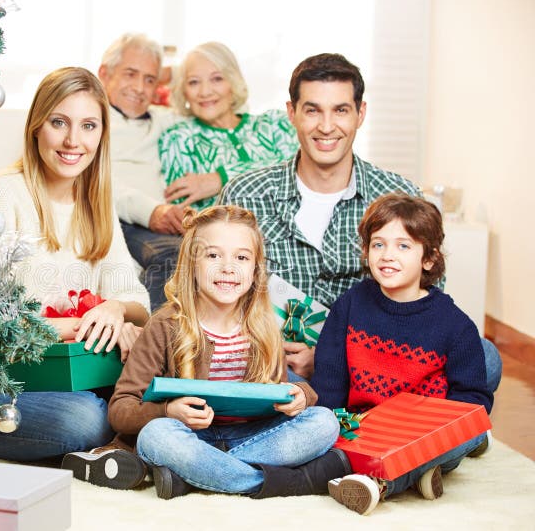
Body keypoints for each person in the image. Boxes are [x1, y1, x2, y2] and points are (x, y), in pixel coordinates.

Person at [217, 53, 502, 389]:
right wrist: (269, 351)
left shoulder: (399, 195)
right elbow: (211, 292)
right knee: (271, 383)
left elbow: (427, 301)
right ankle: (342, 425)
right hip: (274, 364)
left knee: (484, 357)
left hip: (375, 363)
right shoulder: (246, 195)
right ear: (292, 113)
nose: (326, 127)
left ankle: (341, 423)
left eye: (340, 110)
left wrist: (328, 356)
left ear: (360, 114)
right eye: (312, 110)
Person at [0, 67, 150, 462]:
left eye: (88, 126)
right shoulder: (1, 196)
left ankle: (105, 453)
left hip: (68, 379)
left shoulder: (96, 203)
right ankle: (113, 446)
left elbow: (136, 300)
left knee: (161, 383)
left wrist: (116, 311)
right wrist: (77, 326)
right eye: (59, 123)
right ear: (37, 127)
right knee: (87, 418)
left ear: (101, 136)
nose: (74, 141)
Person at [97, 205, 348, 499]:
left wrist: (300, 396)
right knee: (155, 437)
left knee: (324, 422)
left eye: (241, 257)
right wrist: (167, 411)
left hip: (252, 435)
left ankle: (194, 476)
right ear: (192, 264)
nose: (228, 267)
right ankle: (282, 482)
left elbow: (281, 390)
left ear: (255, 270)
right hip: (187, 436)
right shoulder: (165, 325)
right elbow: (120, 410)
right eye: (213, 255)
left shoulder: (264, 326)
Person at [309, 193, 493, 515]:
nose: (387, 255)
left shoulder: (455, 325)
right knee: (324, 443)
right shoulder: (350, 305)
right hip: (364, 425)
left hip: (422, 431)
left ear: (429, 259)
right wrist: (328, 428)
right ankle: (421, 476)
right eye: (378, 244)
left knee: (465, 435)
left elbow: (471, 402)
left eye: (403, 246)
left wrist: (439, 435)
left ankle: (382, 484)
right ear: (366, 251)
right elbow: (330, 377)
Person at [97, 33, 185, 310]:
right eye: (130, 74)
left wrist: (179, 72)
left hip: (158, 219)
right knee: (173, 254)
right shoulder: (89, 117)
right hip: (113, 215)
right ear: (104, 74)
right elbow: (97, 180)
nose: (140, 88)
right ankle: (148, 349)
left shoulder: (164, 120)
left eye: (150, 79)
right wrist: (152, 211)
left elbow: (224, 101)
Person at [160, 41, 298, 211]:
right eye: (194, 82)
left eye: (217, 79)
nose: (205, 92)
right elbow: (187, 215)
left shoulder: (275, 123)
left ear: (233, 82)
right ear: (183, 91)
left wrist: (221, 178)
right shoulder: (178, 139)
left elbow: (304, 170)